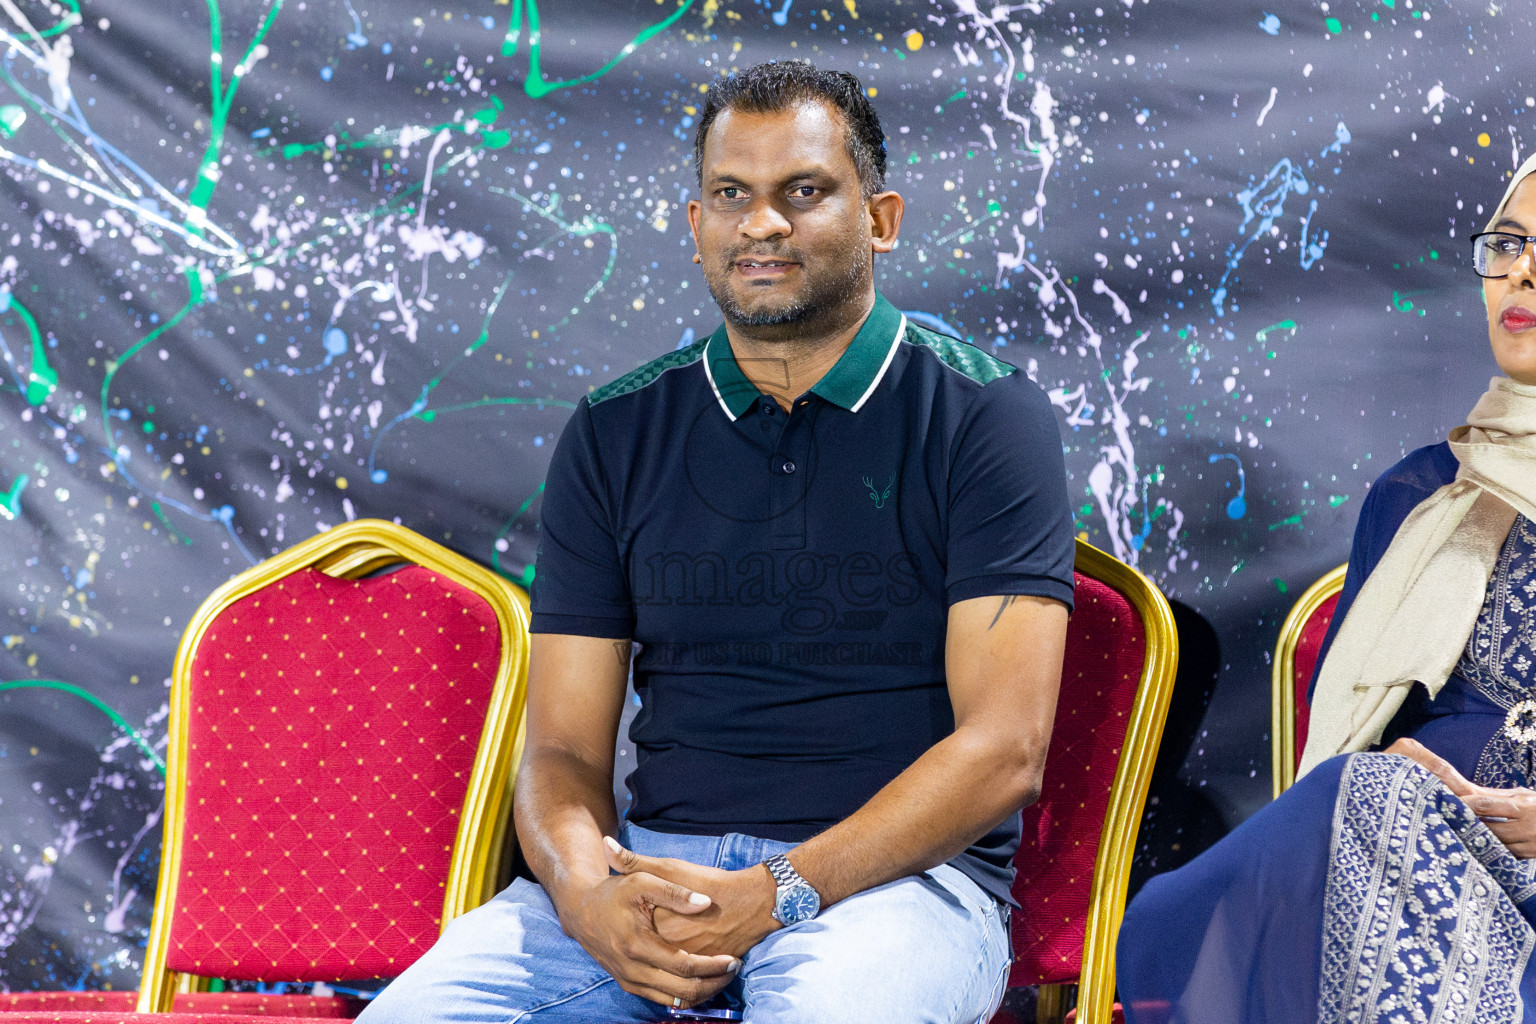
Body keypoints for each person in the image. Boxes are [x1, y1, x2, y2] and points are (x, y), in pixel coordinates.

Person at [358, 60, 1075, 1024]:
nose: (763, 224)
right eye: (731, 195)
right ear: (697, 228)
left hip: (899, 893)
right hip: (653, 875)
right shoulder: (617, 428)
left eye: (804, 192)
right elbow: (563, 751)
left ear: (882, 218)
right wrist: (585, 892)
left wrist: (778, 890)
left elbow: (1004, 752)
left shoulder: (986, 415)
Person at [1115, 156, 1536, 1024]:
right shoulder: (1426, 494)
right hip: (1408, 854)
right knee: (1376, 796)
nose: (1521, 272)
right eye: (1508, 243)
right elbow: (1351, 741)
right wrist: (1395, 765)